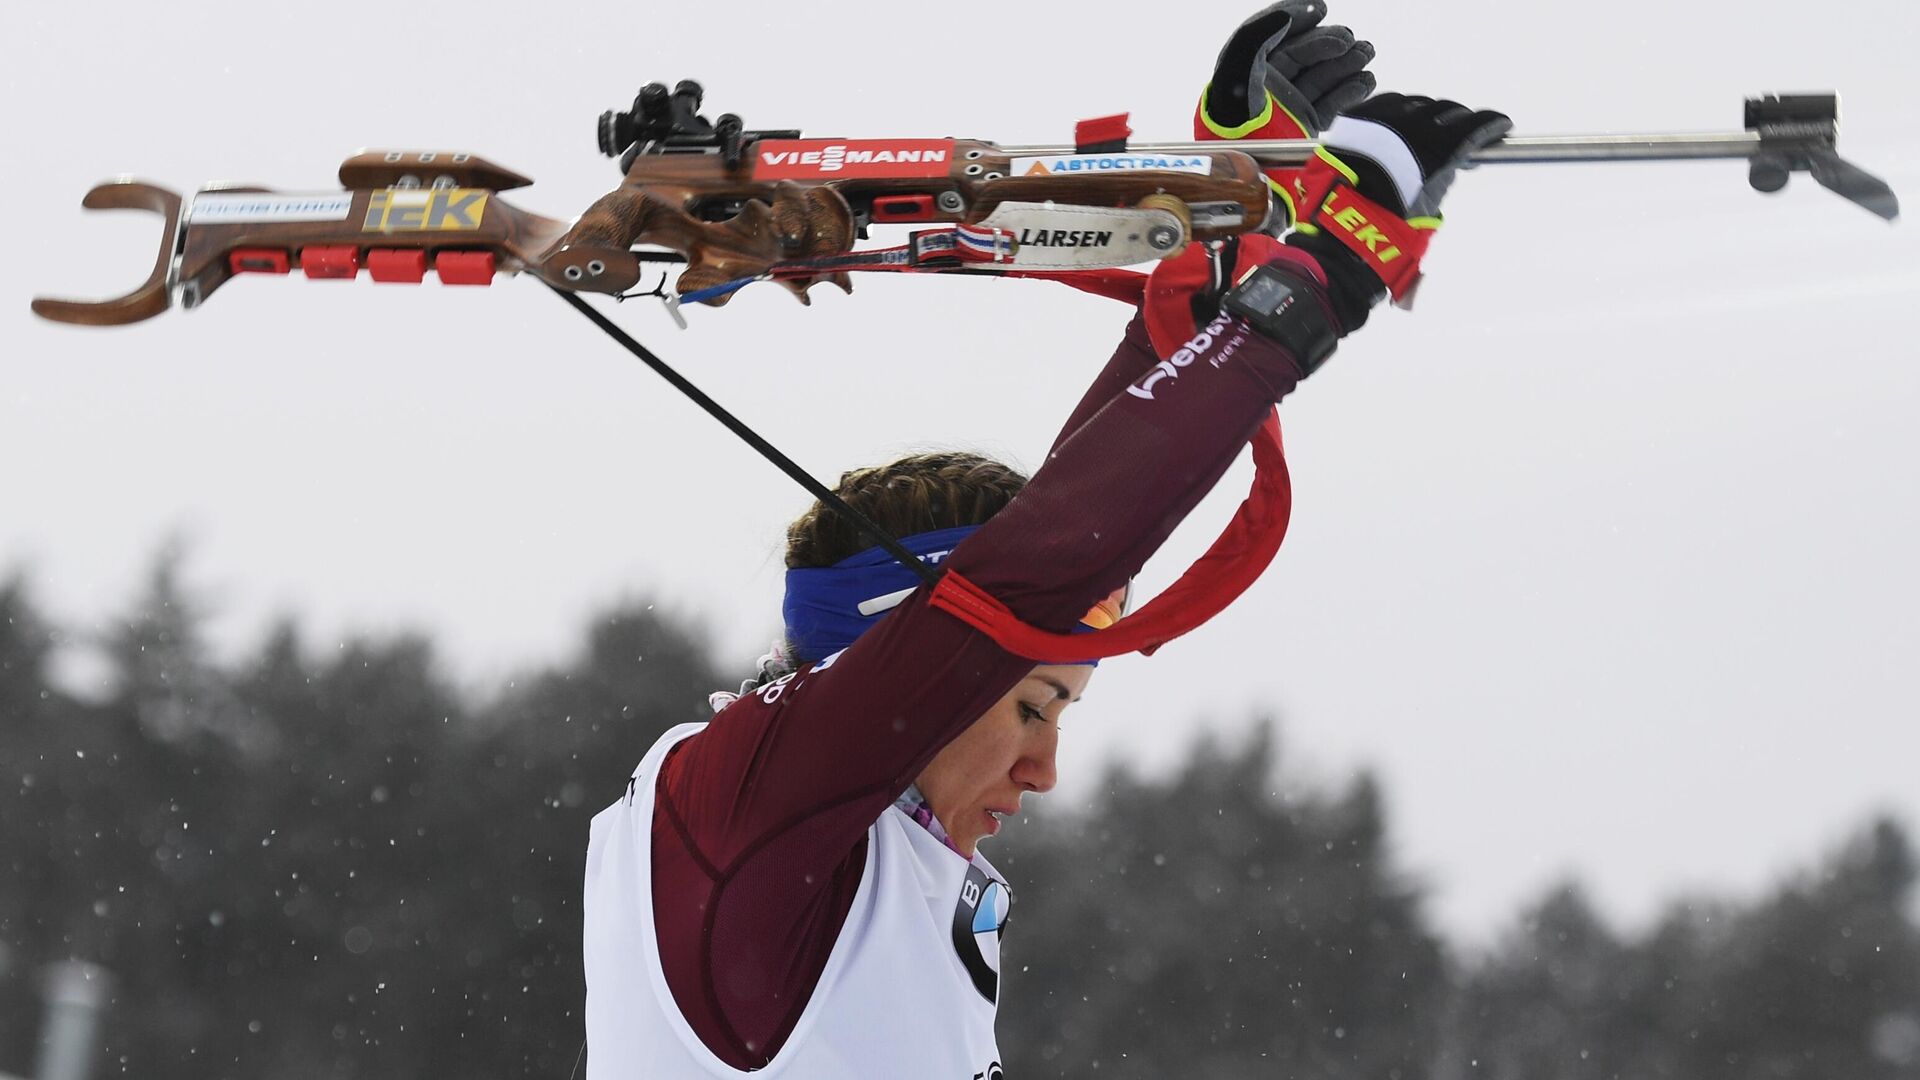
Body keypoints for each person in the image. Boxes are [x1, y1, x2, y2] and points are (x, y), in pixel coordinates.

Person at [582, 4, 1510, 1075]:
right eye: (1035, 706)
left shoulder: (819, 831)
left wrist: (1261, 228)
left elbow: (1077, 542)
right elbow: (1046, 564)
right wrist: (1326, 275)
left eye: (1050, 708)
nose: (1046, 770)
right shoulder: (744, 813)